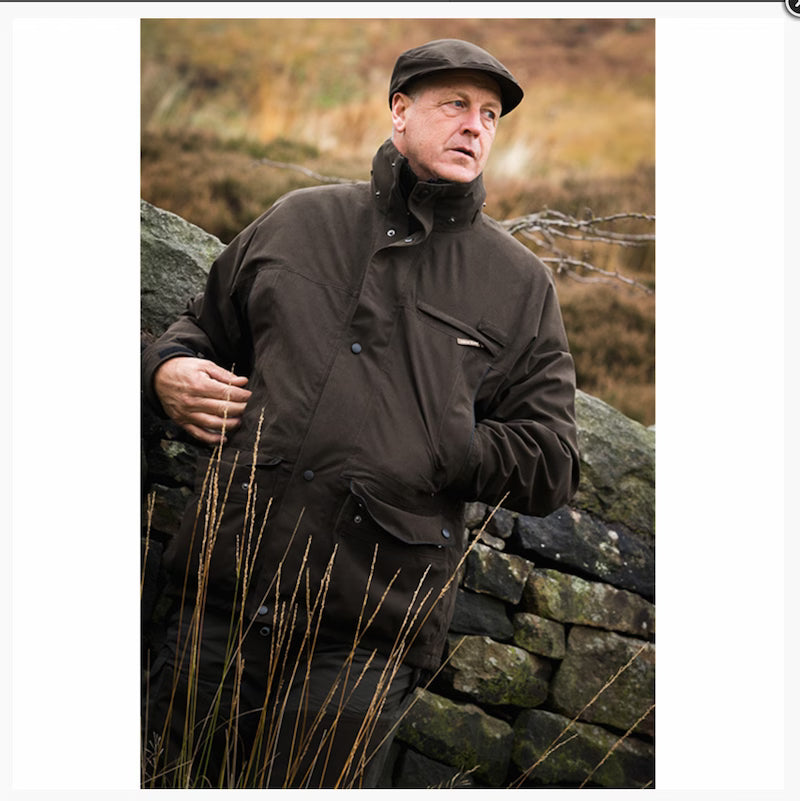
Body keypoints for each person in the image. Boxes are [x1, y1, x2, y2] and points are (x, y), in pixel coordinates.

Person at [141, 38, 580, 789]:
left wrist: (447, 439)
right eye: (455, 105)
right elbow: (199, 325)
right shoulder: (297, 222)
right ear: (399, 112)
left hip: (363, 639)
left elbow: (553, 462)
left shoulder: (518, 284)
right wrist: (165, 369)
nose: (476, 126)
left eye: (490, 115)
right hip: (218, 599)